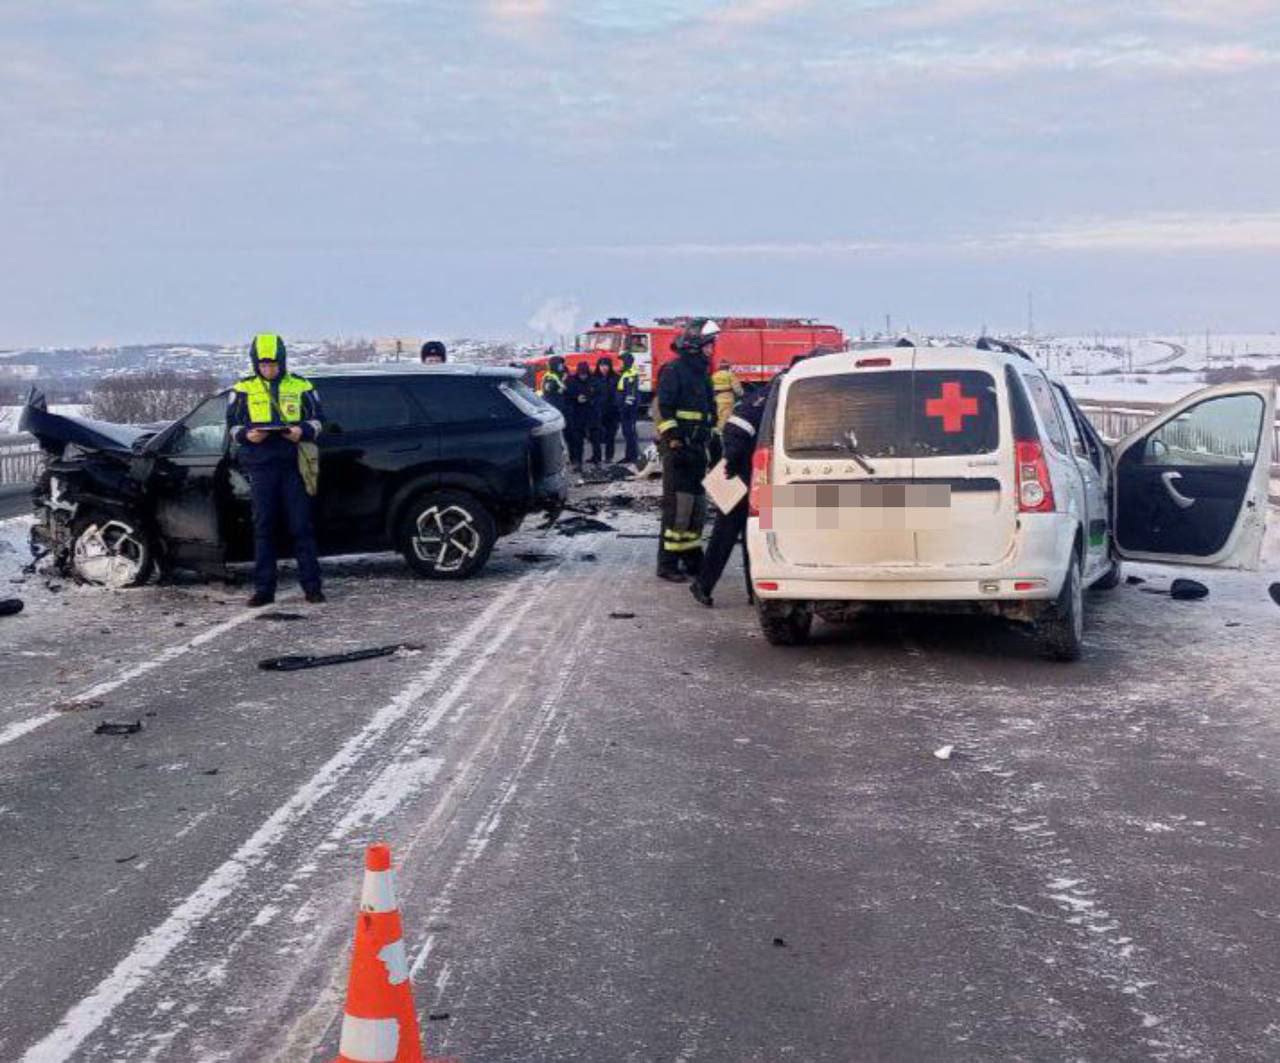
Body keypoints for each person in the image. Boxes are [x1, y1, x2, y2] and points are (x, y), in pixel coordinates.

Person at [227, 333, 326, 606]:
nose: (268, 369)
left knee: (301, 527)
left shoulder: (302, 385)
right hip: (261, 467)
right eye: (263, 364)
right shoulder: (243, 389)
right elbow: (232, 427)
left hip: (294, 465)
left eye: (273, 364)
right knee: (263, 528)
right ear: (255, 363)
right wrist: (248, 436)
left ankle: (312, 587)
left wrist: (301, 431)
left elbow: (319, 422)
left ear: (282, 362)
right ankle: (264, 590)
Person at [690, 383, 771, 607]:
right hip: (744, 471)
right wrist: (733, 460)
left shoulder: (779, 388)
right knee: (729, 530)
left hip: (762, 475)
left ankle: (752, 590)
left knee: (756, 533)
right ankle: (704, 584)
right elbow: (737, 424)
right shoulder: (774, 392)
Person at [655, 318, 719, 582]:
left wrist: (714, 440)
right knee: (678, 508)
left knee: (696, 507)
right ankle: (668, 563)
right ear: (695, 345)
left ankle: (692, 556)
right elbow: (664, 410)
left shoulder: (702, 374)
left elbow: (709, 412)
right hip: (679, 450)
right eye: (709, 345)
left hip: (697, 449)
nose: (712, 350)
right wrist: (673, 440)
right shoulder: (673, 371)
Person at [563, 361, 599, 471]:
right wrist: (576, 398)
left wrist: (590, 400)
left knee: (596, 440)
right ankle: (578, 463)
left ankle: (597, 462)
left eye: (585, 374)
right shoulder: (570, 381)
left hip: (592, 413)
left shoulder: (594, 380)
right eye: (581, 374)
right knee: (577, 441)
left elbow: (600, 395)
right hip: (577, 414)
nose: (583, 376)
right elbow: (566, 397)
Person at [616, 352, 641, 465]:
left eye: (621, 361)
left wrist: (626, 407)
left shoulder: (631, 375)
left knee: (630, 432)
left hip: (628, 409)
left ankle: (634, 456)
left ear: (626, 362)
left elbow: (631, 394)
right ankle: (629, 456)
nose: (619, 363)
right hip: (624, 408)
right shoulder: (625, 373)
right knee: (627, 433)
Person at [595, 356, 621, 464]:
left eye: (606, 365)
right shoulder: (594, 378)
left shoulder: (616, 378)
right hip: (598, 411)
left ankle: (609, 457)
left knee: (611, 436)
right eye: (601, 365)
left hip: (612, 411)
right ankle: (596, 457)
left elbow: (620, 393)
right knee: (596, 436)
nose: (604, 368)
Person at [710, 358, 743, 430]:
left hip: (717, 399)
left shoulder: (714, 375)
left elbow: (710, 387)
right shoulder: (730, 375)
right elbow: (737, 389)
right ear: (728, 367)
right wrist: (741, 395)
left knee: (719, 416)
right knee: (725, 417)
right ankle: (722, 432)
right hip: (727, 399)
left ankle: (717, 431)